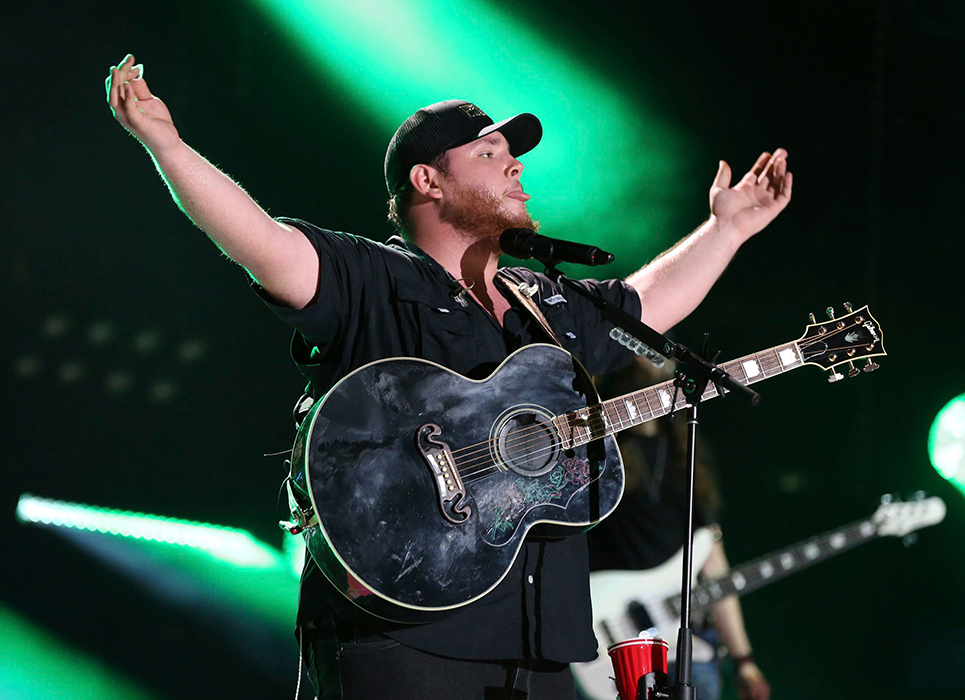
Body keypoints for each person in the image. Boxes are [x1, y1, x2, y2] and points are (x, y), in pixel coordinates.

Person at [106, 52, 792, 700]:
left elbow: (647, 304)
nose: (515, 167)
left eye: (513, 155)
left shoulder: (546, 302)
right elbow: (257, 238)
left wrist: (726, 231)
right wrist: (167, 147)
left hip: (540, 645)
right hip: (404, 634)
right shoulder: (371, 278)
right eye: (491, 154)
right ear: (427, 180)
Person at [578, 358, 771, 700]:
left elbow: (713, 563)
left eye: (662, 359)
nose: (653, 364)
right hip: (607, 627)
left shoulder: (689, 455)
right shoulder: (599, 454)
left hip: (683, 646)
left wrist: (744, 659)